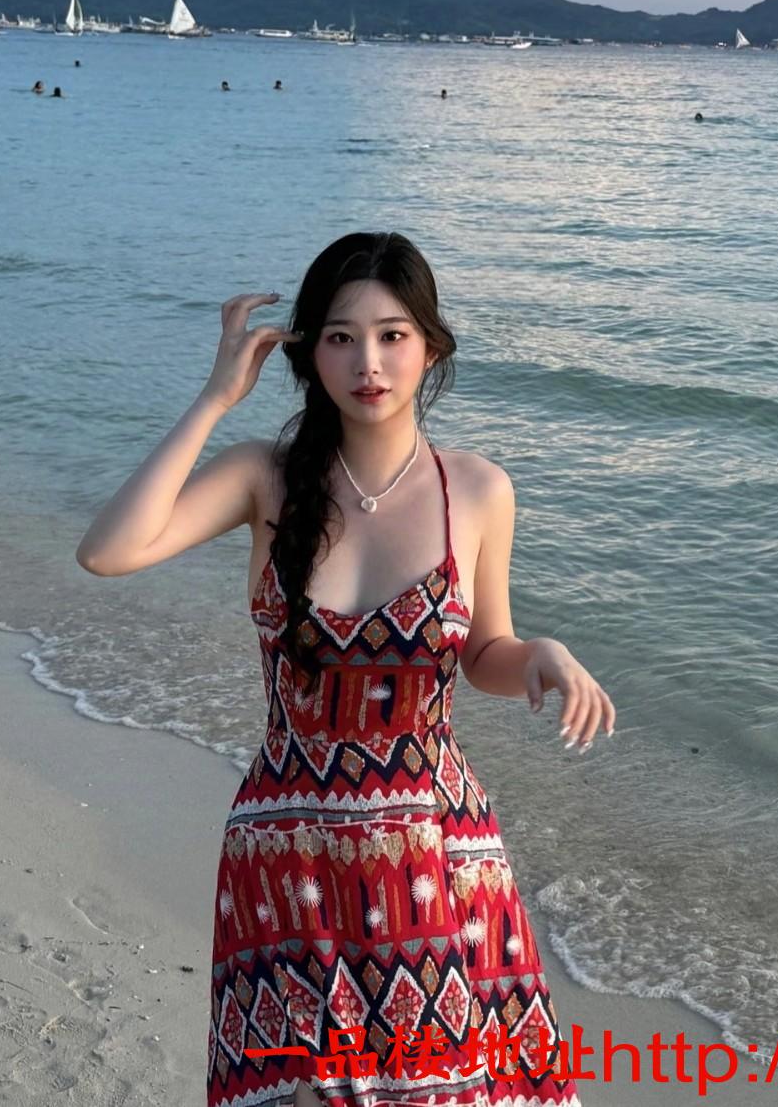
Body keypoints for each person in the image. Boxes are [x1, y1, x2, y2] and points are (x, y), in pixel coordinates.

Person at [75, 233, 608, 1107]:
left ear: (430, 345)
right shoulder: (265, 478)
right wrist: (215, 398)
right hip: (288, 855)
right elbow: (108, 551)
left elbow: (483, 655)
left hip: (433, 852)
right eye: (340, 337)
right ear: (307, 351)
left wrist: (542, 655)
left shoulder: (477, 489)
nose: (369, 362)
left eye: (393, 335)